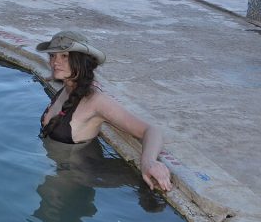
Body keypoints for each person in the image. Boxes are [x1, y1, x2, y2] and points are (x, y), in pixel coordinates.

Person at [37, 30, 173, 192]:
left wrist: (148, 162)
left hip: (72, 182)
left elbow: (151, 130)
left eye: (64, 56)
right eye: (52, 56)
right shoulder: (66, 88)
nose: (55, 62)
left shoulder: (96, 101)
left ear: (80, 60)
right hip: (53, 169)